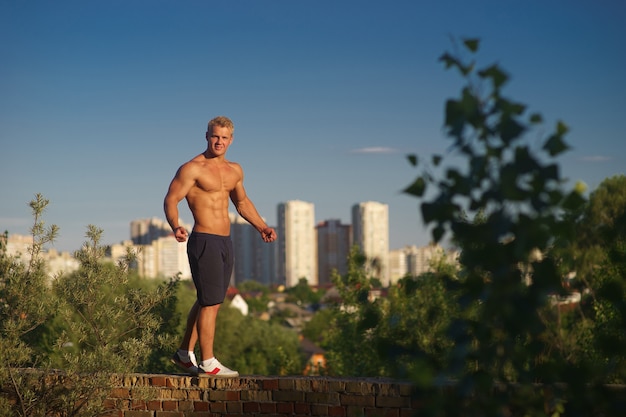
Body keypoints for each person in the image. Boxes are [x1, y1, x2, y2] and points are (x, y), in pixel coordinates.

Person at [164, 116, 277, 377]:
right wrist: (175, 225)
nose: (219, 141)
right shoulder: (192, 168)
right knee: (211, 302)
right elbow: (171, 200)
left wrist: (261, 226)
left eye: (224, 138)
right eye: (215, 136)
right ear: (206, 136)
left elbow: (242, 202)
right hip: (204, 240)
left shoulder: (234, 170)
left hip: (225, 242)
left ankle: (184, 354)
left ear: (231, 140)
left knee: (209, 301)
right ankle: (209, 361)